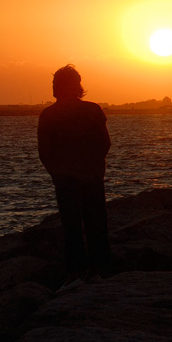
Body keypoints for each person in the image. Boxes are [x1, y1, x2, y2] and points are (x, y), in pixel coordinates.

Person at [37, 64, 111, 284]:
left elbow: (44, 152)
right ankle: (101, 271)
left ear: (58, 87)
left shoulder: (48, 115)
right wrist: (95, 169)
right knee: (97, 224)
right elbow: (104, 144)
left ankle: (75, 273)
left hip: (66, 178)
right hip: (91, 176)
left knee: (71, 227)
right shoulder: (93, 110)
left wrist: (57, 173)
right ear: (77, 86)